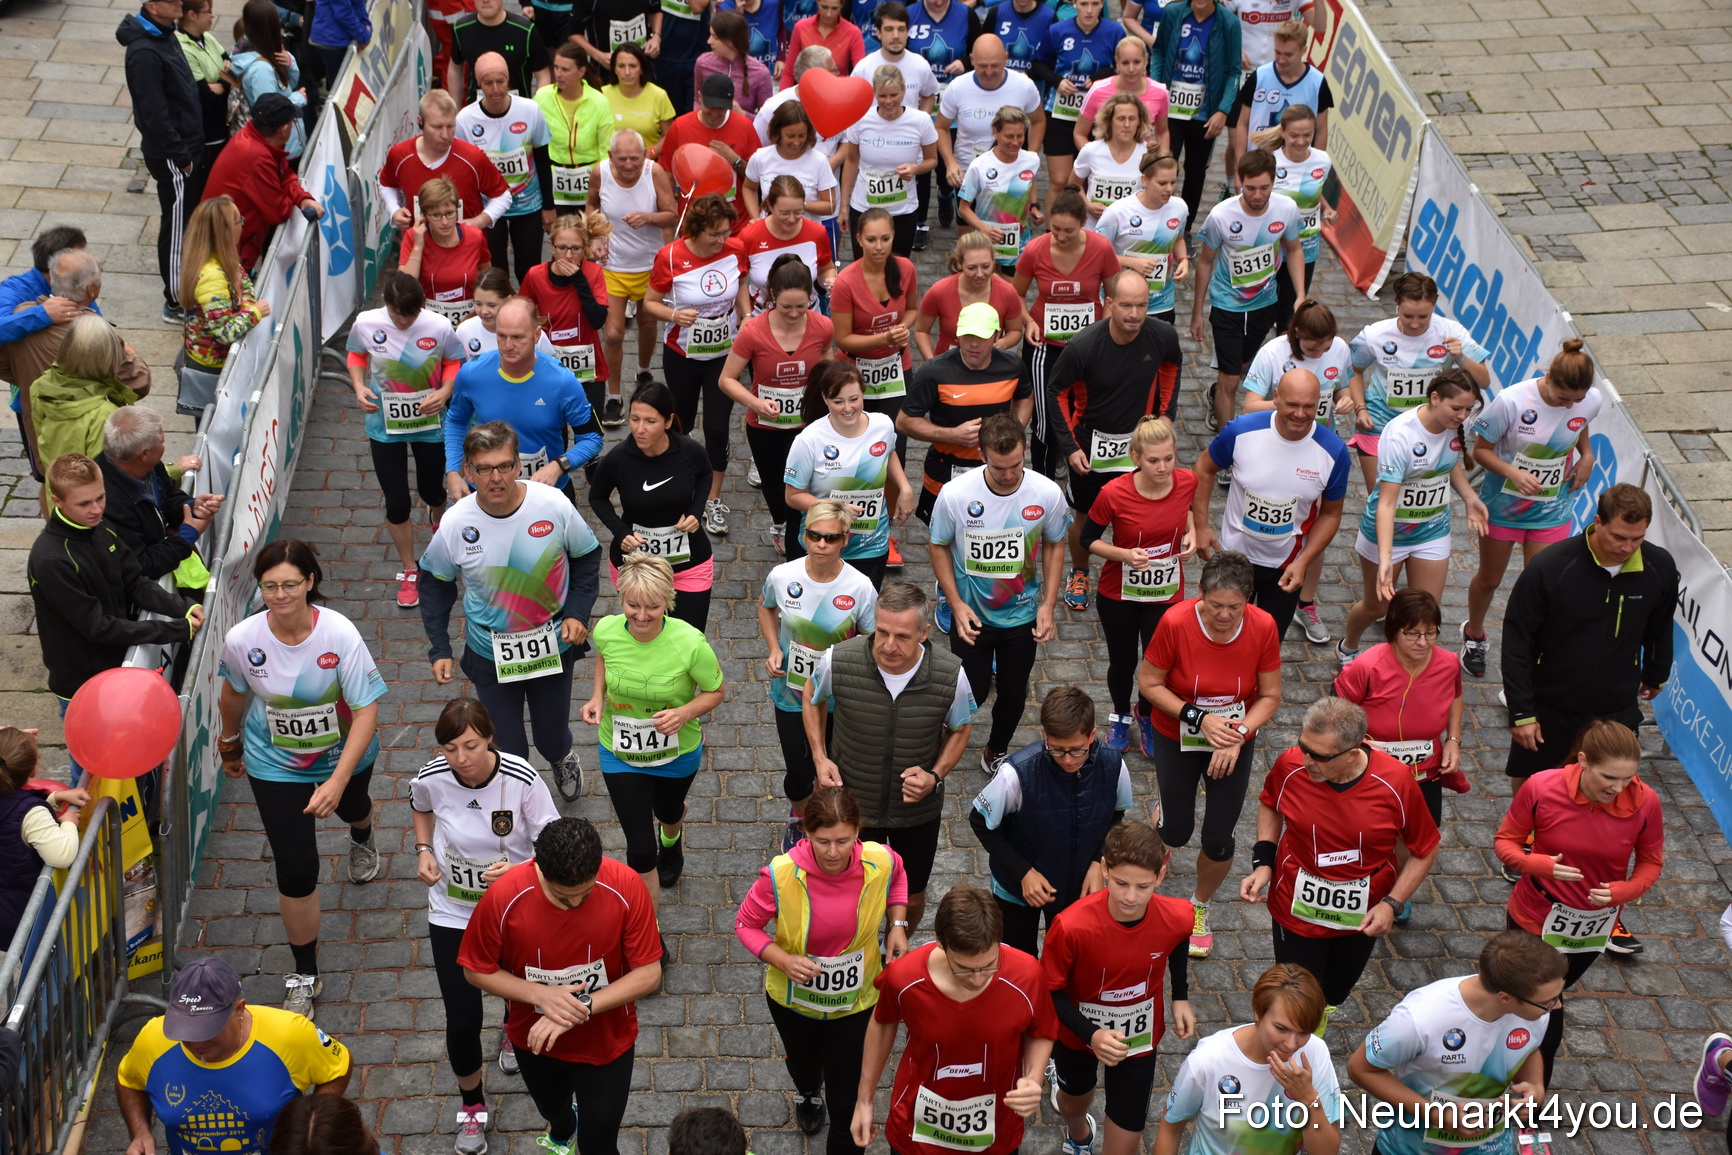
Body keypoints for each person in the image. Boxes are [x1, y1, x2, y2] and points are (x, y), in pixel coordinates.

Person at [217, 539, 384, 1017]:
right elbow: (233, 693)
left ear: (311, 582)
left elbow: (368, 708)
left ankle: (363, 832)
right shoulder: (244, 639)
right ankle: (305, 973)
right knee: (295, 868)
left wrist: (337, 780)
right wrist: (229, 743)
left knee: (353, 806)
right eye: (270, 586)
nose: (280, 594)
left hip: (344, 753)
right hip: (275, 761)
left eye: (290, 584)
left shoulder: (339, 634)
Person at [420, 422, 602, 802]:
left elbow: (587, 557)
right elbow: (435, 583)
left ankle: (562, 757)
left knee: (551, 738)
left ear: (519, 465)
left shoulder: (552, 505)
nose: (495, 477)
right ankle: (524, 803)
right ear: (467, 472)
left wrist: (577, 614)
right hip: (490, 652)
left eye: (504, 465)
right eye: (484, 469)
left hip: (550, 643)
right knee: (509, 749)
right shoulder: (456, 523)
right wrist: (439, 647)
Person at [457, 817, 662, 1155]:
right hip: (535, 1039)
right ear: (539, 870)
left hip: (608, 1042)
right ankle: (564, 1126)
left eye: (586, 892)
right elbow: (475, 970)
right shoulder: (504, 897)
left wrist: (580, 1005)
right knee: (553, 1111)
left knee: (598, 1145)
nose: (577, 904)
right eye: (564, 897)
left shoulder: (625, 885)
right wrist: (541, 995)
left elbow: (649, 974)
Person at [411, 697, 561, 1151]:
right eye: (451, 749)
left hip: (512, 908)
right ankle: (472, 1106)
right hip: (452, 911)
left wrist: (519, 873)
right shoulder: (432, 777)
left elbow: (552, 842)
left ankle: (512, 1034)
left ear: (490, 737)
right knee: (461, 1019)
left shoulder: (522, 779)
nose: (462, 760)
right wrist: (424, 850)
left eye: (471, 746)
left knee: (517, 996)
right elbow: (419, 806)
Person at [1240, 697, 1441, 1026]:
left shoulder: (1396, 782)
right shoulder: (1290, 765)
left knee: (1335, 992)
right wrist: (1263, 860)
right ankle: (1299, 1043)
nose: (1307, 761)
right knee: (1297, 995)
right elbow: (1270, 803)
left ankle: (1319, 1018)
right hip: (1296, 901)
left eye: (1319, 756)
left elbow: (1426, 848)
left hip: (1363, 909)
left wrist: (1393, 902)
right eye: (1304, 747)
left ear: (1352, 753)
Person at [736, 785, 908, 1149]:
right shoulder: (779, 875)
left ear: (858, 831)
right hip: (793, 1001)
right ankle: (807, 1090)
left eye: (843, 841)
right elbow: (745, 925)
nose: (833, 852)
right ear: (806, 832)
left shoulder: (882, 860)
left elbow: (899, 878)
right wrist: (782, 959)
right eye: (822, 841)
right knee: (804, 1064)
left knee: (845, 1104)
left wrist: (897, 923)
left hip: (857, 1002)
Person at [1495, 719, 1662, 1080]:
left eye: (1627, 778)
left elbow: (1651, 862)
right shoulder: (1541, 787)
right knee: (1539, 1005)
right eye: (1609, 778)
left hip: (1593, 926)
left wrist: (1623, 892)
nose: (1618, 788)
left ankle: (1524, 1095)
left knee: (1547, 996)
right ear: (1583, 761)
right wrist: (1539, 865)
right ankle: (1504, 1082)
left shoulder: (1646, 802)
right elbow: (1505, 842)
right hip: (1534, 915)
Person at [1136, 549, 1282, 959]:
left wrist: (1239, 734)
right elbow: (1149, 684)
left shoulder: (1263, 626)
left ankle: (1198, 907)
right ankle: (1162, 814)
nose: (1223, 615)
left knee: (1219, 838)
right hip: (1178, 734)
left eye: (1234, 607)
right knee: (1176, 832)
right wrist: (1199, 718)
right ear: (1199, 593)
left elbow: (1270, 695)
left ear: (1249, 600)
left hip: (1234, 740)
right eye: (1215, 605)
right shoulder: (1176, 622)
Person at [806, 581, 975, 931]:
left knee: (911, 896)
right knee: (851, 890)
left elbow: (960, 729)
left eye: (902, 636)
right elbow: (812, 697)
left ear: (924, 633)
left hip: (916, 812)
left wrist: (935, 776)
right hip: (853, 807)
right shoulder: (839, 659)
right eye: (881, 632)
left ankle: (893, 948)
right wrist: (820, 758)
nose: (888, 646)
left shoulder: (950, 674)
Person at [1501, 483, 1677, 803]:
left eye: (1637, 538)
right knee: (1534, 779)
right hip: (1553, 702)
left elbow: (1660, 626)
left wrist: (1656, 672)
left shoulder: (1659, 568)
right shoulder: (1551, 567)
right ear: (1598, 522)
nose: (1628, 547)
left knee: (1611, 785)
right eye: (1619, 537)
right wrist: (1521, 712)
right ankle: (1527, 836)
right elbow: (1517, 641)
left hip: (1616, 705)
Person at [849, 885, 1057, 1155]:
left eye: (989, 964)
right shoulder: (904, 977)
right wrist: (864, 1100)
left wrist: (1033, 1076)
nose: (978, 979)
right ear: (939, 941)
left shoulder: (1027, 974)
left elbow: (1040, 1030)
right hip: (916, 1133)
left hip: (997, 1134)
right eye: (964, 969)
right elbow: (883, 1022)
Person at [28, 452, 201, 750]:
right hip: (83, 684)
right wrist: (176, 630)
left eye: (101, 498)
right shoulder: (51, 559)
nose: (96, 509)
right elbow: (97, 627)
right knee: (92, 772)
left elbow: (134, 581)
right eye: (84, 503)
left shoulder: (100, 526)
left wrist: (184, 607)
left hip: (121, 668)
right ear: (57, 501)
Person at [582, 553, 725, 908]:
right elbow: (603, 657)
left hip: (676, 752)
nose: (641, 616)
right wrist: (597, 696)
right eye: (632, 605)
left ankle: (672, 838)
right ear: (621, 598)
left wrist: (684, 712)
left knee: (669, 811)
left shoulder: (690, 643)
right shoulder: (606, 629)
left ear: (668, 602)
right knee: (641, 850)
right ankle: (650, 929)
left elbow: (717, 691)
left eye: (652, 607)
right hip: (620, 751)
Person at [1044, 822, 1195, 1155]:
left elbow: (1181, 934)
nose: (1130, 897)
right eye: (1122, 883)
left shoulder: (1177, 914)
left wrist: (1180, 996)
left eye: (1143, 886)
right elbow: (1049, 991)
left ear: (1160, 875)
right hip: (1078, 1038)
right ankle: (1080, 1133)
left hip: (1137, 1042)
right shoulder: (1070, 926)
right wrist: (1091, 1034)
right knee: (1072, 1105)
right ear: (1105, 869)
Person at [930, 414, 1068, 772]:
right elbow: (938, 545)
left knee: (1013, 692)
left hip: (1021, 616)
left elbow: (1055, 544)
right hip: (972, 615)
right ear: (981, 455)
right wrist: (955, 603)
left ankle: (996, 747)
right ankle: (945, 736)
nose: (1009, 475)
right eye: (1000, 467)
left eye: (1017, 465)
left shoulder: (1046, 493)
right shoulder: (956, 494)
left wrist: (1049, 605)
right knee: (970, 690)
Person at [1347, 930, 1565, 1155]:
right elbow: (1360, 1069)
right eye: (1548, 1002)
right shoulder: (1417, 1020)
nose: (1555, 1005)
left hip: (1494, 1147)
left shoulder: (1535, 1009)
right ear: (1505, 998)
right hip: (1410, 1148)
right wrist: (1436, 1114)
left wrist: (1536, 1088)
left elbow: (1529, 1048)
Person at [1042, 267, 1181, 612]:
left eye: (1141, 305)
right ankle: (1079, 571)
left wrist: (1166, 414)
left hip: (1140, 446)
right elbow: (1055, 392)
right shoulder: (1084, 347)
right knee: (1085, 516)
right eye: (1126, 306)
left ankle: (1129, 567)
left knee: (1139, 511)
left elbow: (1171, 367)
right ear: (1108, 303)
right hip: (1092, 445)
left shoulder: (1163, 335)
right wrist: (1070, 447)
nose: (1134, 314)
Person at [1461, 340, 1603, 678]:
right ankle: (1475, 634)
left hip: (1551, 508)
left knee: (1542, 585)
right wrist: (1513, 473)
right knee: (1490, 578)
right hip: (1504, 507)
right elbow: (1480, 451)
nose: (1569, 405)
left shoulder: (1589, 401)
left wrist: (1587, 455)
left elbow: (1580, 424)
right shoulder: (1511, 401)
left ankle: (1531, 652)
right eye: (1562, 397)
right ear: (1549, 378)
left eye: (1577, 399)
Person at [117, 957, 352, 1155]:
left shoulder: (289, 1034)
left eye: (208, 1030)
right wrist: (140, 1132)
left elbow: (339, 1068)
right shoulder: (153, 1039)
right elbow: (128, 1081)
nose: (195, 1043)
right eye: (186, 1031)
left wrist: (312, 1126)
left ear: (239, 1009)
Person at [1190, 368, 1350, 641]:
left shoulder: (1334, 451)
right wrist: (1200, 526)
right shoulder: (1242, 430)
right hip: (1233, 556)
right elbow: (1204, 469)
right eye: (1292, 404)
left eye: (1309, 406)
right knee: (1217, 633)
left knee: (1267, 644)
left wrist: (1305, 562)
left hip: (1285, 565)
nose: (1300, 414)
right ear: (1276, 397)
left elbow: (1332, 514)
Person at [1339, 369, 1487, 663]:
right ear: (1434, 398)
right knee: (1377, 607)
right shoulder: (1401, 434)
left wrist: (1469, 497)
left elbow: (1447, 463)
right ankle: (1348, 646)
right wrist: (1385, 558)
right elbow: (1386, 503)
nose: (1462, 415)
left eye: (1468, 409)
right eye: (1456, 408)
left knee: (1425, 611)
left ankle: (1402, 670)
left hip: (1431, 530)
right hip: (1387, 533)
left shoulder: (1454, 425)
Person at [1333, 588, 1467, 912]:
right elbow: (1339, 710)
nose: (1423, 642)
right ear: (1393, 631)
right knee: (1373, 830)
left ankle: (1396, 890)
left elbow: (1456, 697)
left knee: (1418, 835)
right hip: (1374, 769)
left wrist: (1452, 740)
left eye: (1431, 633)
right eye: (1413, 634)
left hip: (1424, 771)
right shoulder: (1366, 666)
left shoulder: (1448, 663)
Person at [970, 686, 1131, 951]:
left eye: (1077, 750)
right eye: (1057, 750)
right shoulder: (1016, 774)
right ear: (1045, 735)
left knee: (1070, 957)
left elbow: (1116, 814)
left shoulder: (1114, 766)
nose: (1068, 760)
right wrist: (1022, 872)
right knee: (1018, 962)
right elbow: (979, 821)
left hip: (1079, 886)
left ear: (1092, 735)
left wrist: (1097, 862)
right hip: (1016, 889)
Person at [757, 502, 878, 845]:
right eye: (814, 535)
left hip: (841, 699)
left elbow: (871, 639)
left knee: (838, 771)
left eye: (830, 538)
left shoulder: (860, 587)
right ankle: (800, 816)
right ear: (804, 535)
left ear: (845, 540)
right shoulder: (783, 577)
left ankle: (834, 829)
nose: (822, 544)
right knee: (798, 773)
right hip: (791, 692)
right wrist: (774, 649)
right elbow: (766, 609)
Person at [344, 273, 464, 609]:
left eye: (410, 316)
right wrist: (358, 386)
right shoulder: (366, 323)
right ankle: (410, 568)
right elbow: (356, 354)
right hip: (384, 426)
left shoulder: (438, 326)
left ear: (422, 307)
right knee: (396, 501)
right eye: (397, 314)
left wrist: (444, 390)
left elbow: (454, 360)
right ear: (386, 302)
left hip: (429, 424)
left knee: (432, 491)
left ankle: (440, 534)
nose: (402, 321)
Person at [1238, 297, 1352, 642]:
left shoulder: (1340, 349)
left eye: (1326, 346)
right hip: (1277, 449)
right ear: (1296, 333)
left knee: (1315, 530)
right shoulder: (1273, 353)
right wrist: (1293, 404)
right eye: (1312, 346)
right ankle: (1244, 596)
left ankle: (1305, 601)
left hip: (1320, 454)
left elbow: (1345, 386)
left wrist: (1348, 399)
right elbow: (1249, 406)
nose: (1320, 353)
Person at [1081, 415, 1195, 754]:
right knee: (1123, 660)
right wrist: (1124, 555)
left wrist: (1190, 533)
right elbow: (1088, 539)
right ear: (1135, 458)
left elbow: (1186, 510)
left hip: (1166, 591)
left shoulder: (1187, 481)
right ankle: (1119, 714)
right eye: (1153, 460)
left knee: (1157, 661)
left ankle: (1144, 714)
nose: (1163, 467)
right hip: (1120, 594)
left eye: (1169, 459)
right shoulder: (1113, 493)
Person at [643, 194, 750, 536]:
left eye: (725, 232)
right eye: (715, 234)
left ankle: (713, 498)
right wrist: (674, 314)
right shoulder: (670, 257)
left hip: (724, 355)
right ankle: (685, 478)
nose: (722, 240)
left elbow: (742, 282)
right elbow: (649, 303)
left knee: (717, 429)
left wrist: (746, 315)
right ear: (695, 229)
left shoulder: (735, 249)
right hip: (682, 354)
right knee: (682, 425)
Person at [1156, 964, 1341, 1155]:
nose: (1292, 1045)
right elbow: (1170, 1127)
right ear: (1258, 1013)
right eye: (1281, 1028)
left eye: (1304, 1032)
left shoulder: (1314, 1053)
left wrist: (1308, 1098)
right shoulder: (1208, 1060)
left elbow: (1327, 1151)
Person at [442, 296, 604, 508]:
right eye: (502, 336)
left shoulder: (563, 381)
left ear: (537, 335)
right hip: (488, 493)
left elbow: (592, 438)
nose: (508, 346)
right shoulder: (472, 374)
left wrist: (559, 466)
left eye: (518, 337)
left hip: (546, 495)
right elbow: (455, 421)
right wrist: (453, 471)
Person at [723, 258, 836, 555]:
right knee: (774, 485)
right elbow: (727, 379)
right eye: (786, 307)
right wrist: (755, 402)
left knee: (808, 483)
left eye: (802, 306)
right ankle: (779, 523)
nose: (795, 313)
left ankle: (804, 532)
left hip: (810, 423)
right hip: (765, 426)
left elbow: (828, 364)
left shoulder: (822, 326)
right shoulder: (752, 332)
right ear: (772, 295)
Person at [1189, 149, 1304, 432]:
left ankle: (1216, 395)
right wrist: (1197, 313)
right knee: (1230, 379)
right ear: (1240, 182)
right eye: (1250, 188)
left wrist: (1300, 294)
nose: (1257, 195)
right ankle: (1229, 446)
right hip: (1227, 305)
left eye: (1264, 188)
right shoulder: (1221, 215)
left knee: (1241, 369)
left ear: (1273, 182)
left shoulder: (1286, 209)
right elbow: (1204, 262)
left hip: (1265, 305)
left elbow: (1294, 248)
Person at [589, 382, 719, 630]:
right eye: (635, 419)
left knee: (691, 640)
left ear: (668, 421)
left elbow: (705, 475)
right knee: (646, 641)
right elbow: (597, 497)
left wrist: (695, 511)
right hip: (637, 567)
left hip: (688, 565)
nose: (640, 429)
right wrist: (621, 532)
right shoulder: (617, 459)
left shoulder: (689, 452)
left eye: (650, 421)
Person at [830, 211, 920, 566]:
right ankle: (847, 521)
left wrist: (902, 330)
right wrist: (885, 335)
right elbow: (843, 336)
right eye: (871, 240)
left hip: (897, 371)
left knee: (895, 446)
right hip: (855, 374)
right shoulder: (846, 282)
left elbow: (912, 310)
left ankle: (886, 530)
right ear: (858, 239)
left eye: (885, 239)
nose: (879, 247)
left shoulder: (906, 270)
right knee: (856, 451)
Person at [1345, 271, 1490, 492]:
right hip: (1380, 425)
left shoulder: (1451, 332)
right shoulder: (1375, 334)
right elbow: (1353, 369)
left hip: (1430, 431)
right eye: (1407, 316)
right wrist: (1360, 408)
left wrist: (1461, 358)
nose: (1415, 324)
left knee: (1410, 503)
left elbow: (1484, 381)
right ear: (1396, 306)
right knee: (1381, 499)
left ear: (1433, 307)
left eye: (1423, 317)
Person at [900, 300, 1030, 530]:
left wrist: (1015, 429)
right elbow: (904, 421)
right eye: (967, 336)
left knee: (997, 530)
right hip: (947, 469)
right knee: (943, 536)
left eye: (981, 337)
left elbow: (1025, 396)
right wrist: (952, 435)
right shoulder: (934, 371)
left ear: (997, 335)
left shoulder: (1013, 366)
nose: (973, 344)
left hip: (998, 471)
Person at [783, 360, 914, 584]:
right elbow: (793, 496)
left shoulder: (882, 425)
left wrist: (905, 487)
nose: (847, 408)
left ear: (864, 393)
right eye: (838, 401)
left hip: (870, 543)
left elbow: (888, 453)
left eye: (854, 399)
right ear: (825, 398)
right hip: (822, 543)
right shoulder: (808, 441)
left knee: (864, 613)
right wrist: (835, 509)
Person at [119, 0, 206, 322]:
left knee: (186, 220)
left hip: (188, 144)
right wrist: (180, 154)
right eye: (172, 1)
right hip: (174, 153)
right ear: (153, 6)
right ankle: (175, 301)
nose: (180, 4)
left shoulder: (166, 34)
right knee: (177, 225)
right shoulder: (143, 52)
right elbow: (153, 112)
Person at [590, 129, 675, 426]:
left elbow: (672, 213)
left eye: (635, 159)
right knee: (613, 333)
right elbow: (591, 206)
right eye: (622, 159)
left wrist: (647, 217)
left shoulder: (656, 173)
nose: (629, 165)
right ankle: (614, 396)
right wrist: (594, 236)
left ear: (645, 155)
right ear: (611, 157)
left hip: (650, 265)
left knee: (647, 322)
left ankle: (643, 370)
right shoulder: (599, 172)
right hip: (613, 265)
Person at [29, 315, 149, 504]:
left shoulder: (39, 385)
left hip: (61, 499)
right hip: (91, 512)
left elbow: (38, 437)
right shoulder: (104, 413)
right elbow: (109, 477)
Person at [457, 52, 555, 283]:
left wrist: (549, 206)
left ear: (508, 81)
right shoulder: (465, 119)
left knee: (528, 270)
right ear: (479, 84)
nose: (495, 89)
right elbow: (462, 170)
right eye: (488, 83)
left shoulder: (530, 110)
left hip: (527, 202)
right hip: (487, 206)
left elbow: (543, 157)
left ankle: (526, 313)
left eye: (500, 81)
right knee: (495, 271)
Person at [97, 406, 222, 583]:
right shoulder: (107, 503)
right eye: (162, 441)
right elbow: (143, 565)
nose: (164, 445)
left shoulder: (147, 464)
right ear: (144, 454)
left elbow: (169, 494)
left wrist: (191, 506)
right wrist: (186, 536)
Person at [197, 93, 322, 269]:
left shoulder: (258, 138)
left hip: (232, 242)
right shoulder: (257, 157)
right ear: (284, 128)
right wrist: (292, 197)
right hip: (228, 252)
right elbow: (279, 211)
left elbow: (283, 173)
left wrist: (302, 198)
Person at [934, 34, 1044, 225]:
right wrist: (950, 163)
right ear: (972, 60)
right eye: (982, 66)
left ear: (1006, 58)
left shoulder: (1024, 86)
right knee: (968, 239)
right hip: (969, 173)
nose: (989, 72)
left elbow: (1038, 121)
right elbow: (941, 127)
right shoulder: (958, 87)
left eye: (995, 65)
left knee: (1008, 233)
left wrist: (1031, 157)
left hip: (1011, 175)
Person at [1149, 0, 1240, 225]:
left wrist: (1223, 110)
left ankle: (1184, 228)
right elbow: (1159, 52)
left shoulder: (1229, 22)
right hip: (1170, 110)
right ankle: (1156, 222)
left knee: (1196, 171)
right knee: (1163, 165)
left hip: (1205, 115)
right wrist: (1157, 90)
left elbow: (1234, 70)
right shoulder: (1172, 13)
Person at [379, 91, 515, 237]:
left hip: (467, 250)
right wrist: (394, 210)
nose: (445, 135)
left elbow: (503, 195)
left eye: (450, 126)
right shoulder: (400, 155)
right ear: (420, 122)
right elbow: (387, 184)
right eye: (437, 127)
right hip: (420, 251)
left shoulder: (472, 156)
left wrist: (479, 221)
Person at [0, 728, 88, 952]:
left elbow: (14, 813)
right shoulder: (30, 813)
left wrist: (55, 799)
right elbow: (62, 854)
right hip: (19, 914)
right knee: (36, 968)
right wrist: (68, 821)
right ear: (33, 768)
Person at [177, 196, 267, 416]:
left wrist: (245, 304)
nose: (242, 225)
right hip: (211, 372)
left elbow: (243, 284)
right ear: (225, 231)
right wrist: (255, 312)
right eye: (239, 221)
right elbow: (224, 332)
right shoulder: (212, 277)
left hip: (215, 363)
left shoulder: (222, 259)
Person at [836, 67, 939, 258]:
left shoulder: (921, 121)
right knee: (864, 270)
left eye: (894, 94)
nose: (889, 101)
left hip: (903, 210)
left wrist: (916, 168)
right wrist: (843, 206)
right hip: (864, 207)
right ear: (874, 93)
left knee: (898, 270)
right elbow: (851, 160)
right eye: (882, 95)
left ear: (904, 91)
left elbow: (932, 160)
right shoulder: (860, 118)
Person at [1040, 0, 1126, 219]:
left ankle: (1083, 233)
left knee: (1089, 181)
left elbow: (1124, 67)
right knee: (1059, 181)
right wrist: (1056, 80)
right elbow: (1038, 63)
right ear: (1074, 3)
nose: (1089, 10)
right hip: (1060, 114)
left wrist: (1099, 78)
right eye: (1083, 3)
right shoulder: (1057, 30)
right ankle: (1053, 235)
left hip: (1099, 119)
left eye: (1095, 4)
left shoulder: (1115, 32)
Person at [519, 214, 613, 408]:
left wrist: (579, 280)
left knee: (591, 434)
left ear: (585, 248)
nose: (569, 255)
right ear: (552, 247)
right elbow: (521, 318)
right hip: (548, 369)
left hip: (589, 372)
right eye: (562, 248)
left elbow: (598, 320)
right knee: (553, 436)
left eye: (576, 249)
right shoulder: (535, 276)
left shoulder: (593, 273)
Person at [1255, 104, 1332, 333]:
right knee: (1265, 309)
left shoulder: (1322, 160)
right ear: (1283, 133)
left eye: (1307, 135)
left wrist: (1327, 209)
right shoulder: (1270, 162)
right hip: (1272, 247)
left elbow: (1314, 192)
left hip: (1305, 245)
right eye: (1294, 135)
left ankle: (1283, 358)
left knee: (1290, 313)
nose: (1301, 141)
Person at [1095, 151, 1189, 323]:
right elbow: (1095, 255)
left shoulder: (1179, 208)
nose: (1169, 189)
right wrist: (1130, 262)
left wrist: (1183, 259)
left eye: (1173, 182)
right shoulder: (1117, 212)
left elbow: (1178, 239)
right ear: (1144, 180)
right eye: (1162, 183)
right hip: (1123, 303)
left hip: (1162, 301)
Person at [1227, 19, 1331, 167]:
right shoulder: (1259, 76)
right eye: (1277, 52)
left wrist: (1317, 170)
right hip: (1257, 165)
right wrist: (1239, 167)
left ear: (1303, 50)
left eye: (1288, 55)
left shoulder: (1317, 82)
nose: (1281, 60)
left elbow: (1321, 130)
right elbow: (1242, 124)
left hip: (1296, 168)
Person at [660, 73, 763, 222]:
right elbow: (667, 175)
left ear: (732, 103)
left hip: (735, 226)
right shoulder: (680, 127)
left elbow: (759, 178)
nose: (714, 114)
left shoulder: (745, 127)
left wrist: (735, 161)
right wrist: (670, 218)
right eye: (710, 106)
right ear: (700, 97)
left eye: (721, 108)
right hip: (693, 226)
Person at [397, 177, 495, 327]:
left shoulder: (474, 236)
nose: (445, 222)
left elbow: (487, 276)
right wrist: (418, 246)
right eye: (436, 215)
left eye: (450, 213)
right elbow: (405, 285)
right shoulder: (413, 236)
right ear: (424, 216)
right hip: (427, 321)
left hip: (469, 320)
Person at [957, 107, 1043, 274]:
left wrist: (1034, 206)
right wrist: (985, 230)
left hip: (1018, 241)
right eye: (1009, 136)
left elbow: (1030, 182)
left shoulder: (1032, 160)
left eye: (1020, 136)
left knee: (1012, 293)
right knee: (987, 290)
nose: (1016, 142)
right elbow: (964, 209)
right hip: (986, 241)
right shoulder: (979, 166)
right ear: (995, 132)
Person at [913, 231, 1026, 358]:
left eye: (986, 266)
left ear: (994, 262)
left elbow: (1015, 331)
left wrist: (1003, 343)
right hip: (948, 366)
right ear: (959, 263)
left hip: (988, 365)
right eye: (972, 268)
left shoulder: (1007, 292)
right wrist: (932, 364)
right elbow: (921, 331)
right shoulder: (939, 291)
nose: (979, 274)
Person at [738, 178, 838, 312]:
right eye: (784, 213)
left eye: (798, 212)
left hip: (807, 314)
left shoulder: (817, 233)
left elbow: (825, 268)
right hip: (762, 315)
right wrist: (745, 315)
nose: (791, 219)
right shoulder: (749, 236)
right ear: (770, 206)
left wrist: (830, 281)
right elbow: (738, 281)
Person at [537, 42, 615, 216]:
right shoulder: (542, 97)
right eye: (556, 67)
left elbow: (606, 150)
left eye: (565, 69)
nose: (558, 74)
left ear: (581, 71)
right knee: (562, 239)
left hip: (590, 181)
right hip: (555, 180)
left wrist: (600, 188)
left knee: (589, 238)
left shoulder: (599, 101)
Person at [232, 0, 308, 160]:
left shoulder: (258, 49)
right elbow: (271, 112)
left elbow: (287, 85)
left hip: (288, 142)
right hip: (284, 148)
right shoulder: (261, 70)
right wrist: (298, 98)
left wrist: (290, 63)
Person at [743, 104, 840, 224]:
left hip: (806, 235)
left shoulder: (819, 161)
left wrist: (797, 205)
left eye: (801, 136)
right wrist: (755, 217)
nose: (796, 142)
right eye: (790, 136)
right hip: (769, 232)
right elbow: (749, 188)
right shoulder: (760, 157)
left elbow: (830, 206)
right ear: (778, 131)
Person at [1074, 36, 1169, 153]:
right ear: (1117, 61)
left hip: (1140, 165)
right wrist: (1094, 158)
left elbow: (1162, 132)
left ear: (1146, 60)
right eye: (1125, 63)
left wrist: (1160, 161)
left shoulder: (1160, 92)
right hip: (1105, 163)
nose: (1131, 69)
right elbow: (1079, 133)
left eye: (1137, 62)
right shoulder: (1098, 90)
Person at [449, 0, 550, 101]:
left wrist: (537, 109)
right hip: (476, 110)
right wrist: (455, 110)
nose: (485, 1)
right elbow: (455, 68)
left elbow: (543, 75)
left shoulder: (525, 30)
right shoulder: (461, 29)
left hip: (518, 110)